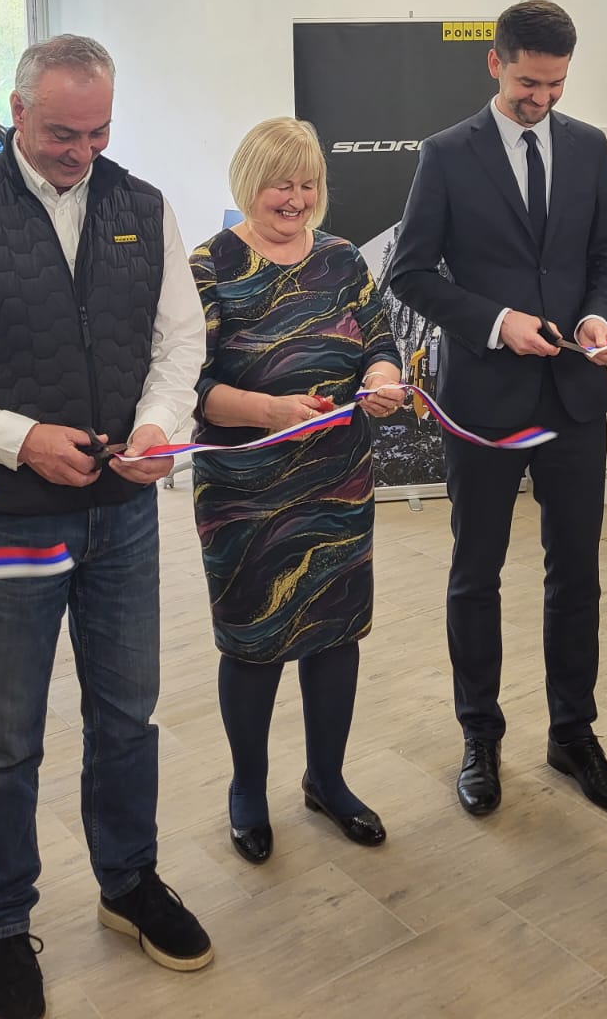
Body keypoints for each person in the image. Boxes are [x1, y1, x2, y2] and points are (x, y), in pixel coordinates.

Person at [0, 35, 212, 1019]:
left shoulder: (142, 206)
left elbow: (179, 339)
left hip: (124, 518)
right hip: (9, 523)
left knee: (128, 716)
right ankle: (0, 922)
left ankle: (129, 881)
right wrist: (19, 440)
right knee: (5, 739)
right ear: (17, 111)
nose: (82, 151)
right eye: (63, 132)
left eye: (99, 131)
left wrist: (159, 426)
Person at [386, 0, 607, 818]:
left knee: (577, 575)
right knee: (476, 574)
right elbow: (410, 274)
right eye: (529, 82)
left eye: (557, 84)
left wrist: (598, 316)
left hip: (574, 396)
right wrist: (496, 322)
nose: (543, 98)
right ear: (495, 63)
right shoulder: (445, 154)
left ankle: (573, 734)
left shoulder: (589, 146)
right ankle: (480, 737)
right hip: (483, 400)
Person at [189, 118, 403, 863]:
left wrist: (382, 377)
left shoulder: (342, 259)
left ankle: (327, 780)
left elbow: (379, 341)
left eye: (309, 184)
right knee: (254, 642)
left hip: (337, 481)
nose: (297, 198)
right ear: (250, 181)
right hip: (244, 491)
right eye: (282, 184)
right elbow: (190, 386)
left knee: (335, 633)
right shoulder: (209, 267)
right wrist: (268, 412)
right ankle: (247, 789)